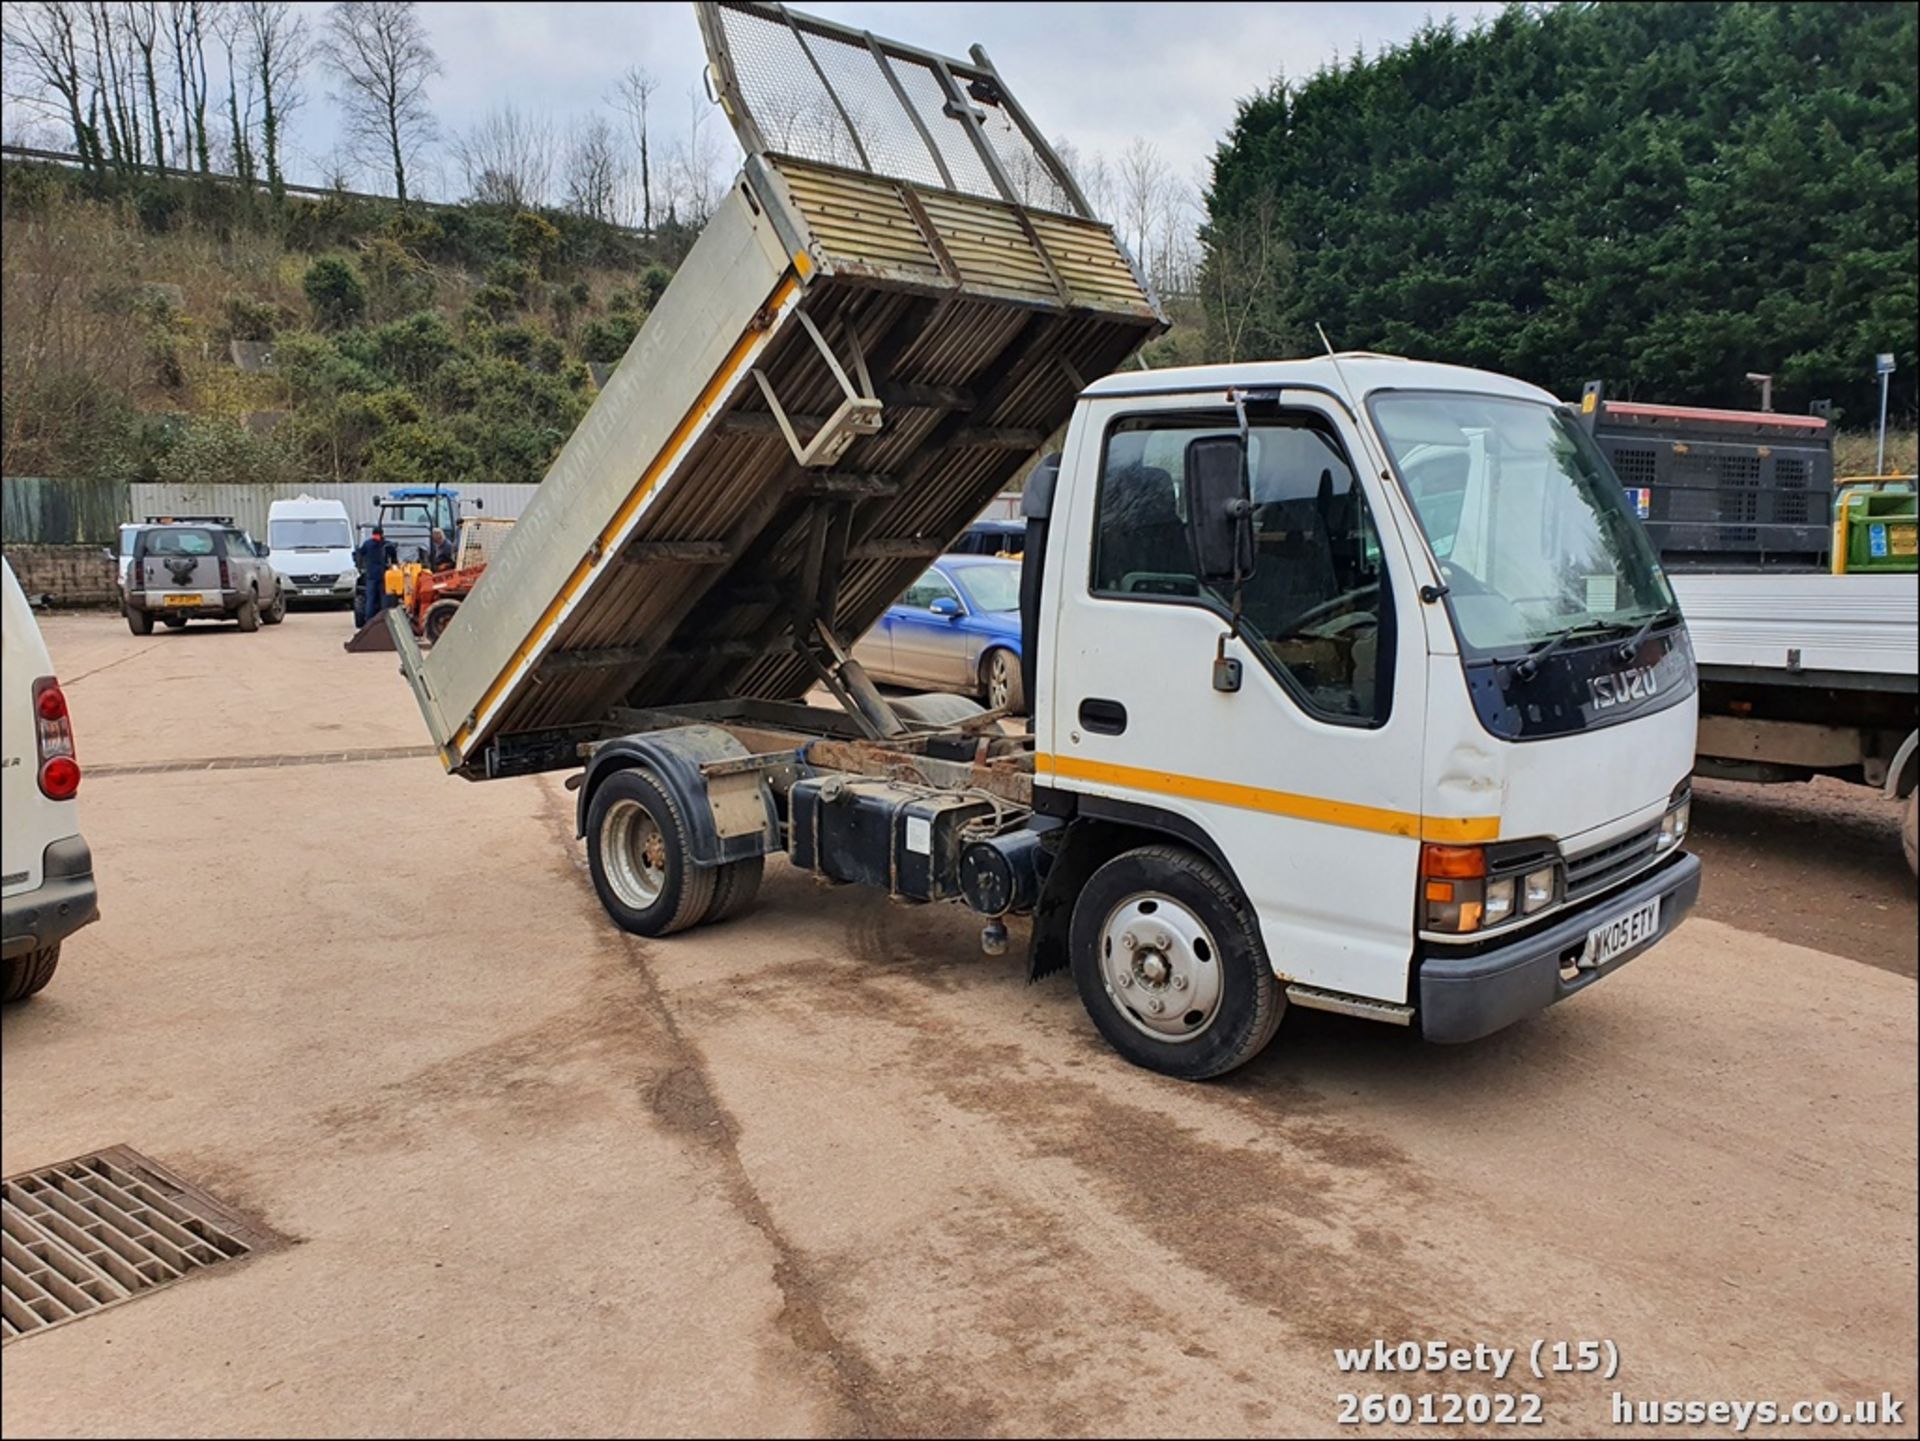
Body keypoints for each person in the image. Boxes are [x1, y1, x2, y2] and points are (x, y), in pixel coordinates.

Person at [355, 526, 394, 626]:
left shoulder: (367, 544)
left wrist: (359, 565)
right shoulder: (387, 544)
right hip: (383, 575)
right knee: (384, 597)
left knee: (370, 598)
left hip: (371, 575)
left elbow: (359, 553)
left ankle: (369, 620)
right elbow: (394, 558)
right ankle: (384, 619)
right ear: (382, 534)